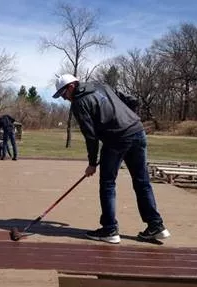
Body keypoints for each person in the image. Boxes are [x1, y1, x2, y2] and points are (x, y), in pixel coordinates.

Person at [52, 74, 170, 244]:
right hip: (137, 131)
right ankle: (156, 225)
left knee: (107, 184)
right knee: (142, 181)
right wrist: (126, 120)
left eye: (63, 94)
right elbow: (132, 100)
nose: (64, 99)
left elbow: (90, 136)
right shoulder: (101, 85)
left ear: (71, 87)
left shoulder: (79, 103)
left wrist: (92, 163)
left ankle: (109, 229)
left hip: (116, 139)